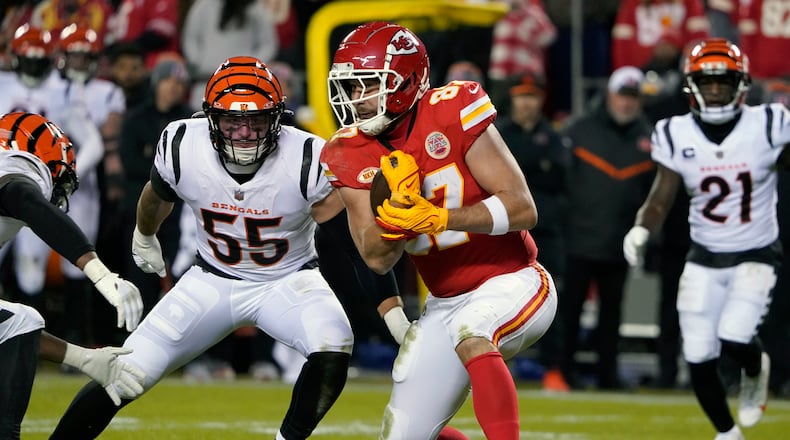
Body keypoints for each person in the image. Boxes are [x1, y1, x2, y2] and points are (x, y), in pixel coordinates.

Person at [50, 56, 356, 440]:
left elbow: (345, 239)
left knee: (334, 342)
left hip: (288, 280)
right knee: (124, 372)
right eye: (232, 121)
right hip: (212, 280)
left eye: (256, 121)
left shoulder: (308, 155)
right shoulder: (183, 143)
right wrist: (144, 235)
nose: (244, 133)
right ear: (210, 118)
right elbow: (155, 196)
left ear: (277, 119)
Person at [321, 21, 558, 439]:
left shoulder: (452, 109)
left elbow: (523, 208)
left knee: (474, 332)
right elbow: (376, 258)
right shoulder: (348, 150)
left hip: (512, 278)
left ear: (406, 81)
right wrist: (394, 219)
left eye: (366, 85)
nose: (354, 99)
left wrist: (439, 217)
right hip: (444, 301)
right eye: (350, 87)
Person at [623, 38, 788, 440]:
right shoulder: (674, 132)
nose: (715, 90)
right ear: (692, 85)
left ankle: (754, 367)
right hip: (703, 256)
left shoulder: (769, 123)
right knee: (697, 354)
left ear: (741, 84)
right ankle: (727, 434)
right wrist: (642, 227)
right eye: (708, 82)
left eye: (723, 81)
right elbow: (662, 197)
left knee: (734, 335)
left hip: (755, 253)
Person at [0, 111, 145, 439]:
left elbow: (11, 331)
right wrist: (100, 274)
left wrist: (83, 359)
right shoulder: (17, 164)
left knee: (16, 320)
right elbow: (24, 198)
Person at [559, 65, 655, 390]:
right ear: (609, 95)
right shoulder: (580, 130)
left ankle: (607, 375)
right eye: (622, 96)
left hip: (620, 239)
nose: (626, 103)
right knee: (569, 308)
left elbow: (652, 194)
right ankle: (562, 371)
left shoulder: (650, 138)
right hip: (578, 236)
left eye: (633, 97)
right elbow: (562, 186)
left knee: (612, 314)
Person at [496, 72, 571, 392]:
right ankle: (499, 367)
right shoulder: (497, 134)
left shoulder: (554, 137)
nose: (526, 103)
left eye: (532, 96)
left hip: (546, 232)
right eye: (521, 96)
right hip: (505, 231)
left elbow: (562, 182)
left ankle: (553, 368)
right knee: (498, 300)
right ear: (512, 99)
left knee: (552, 300)